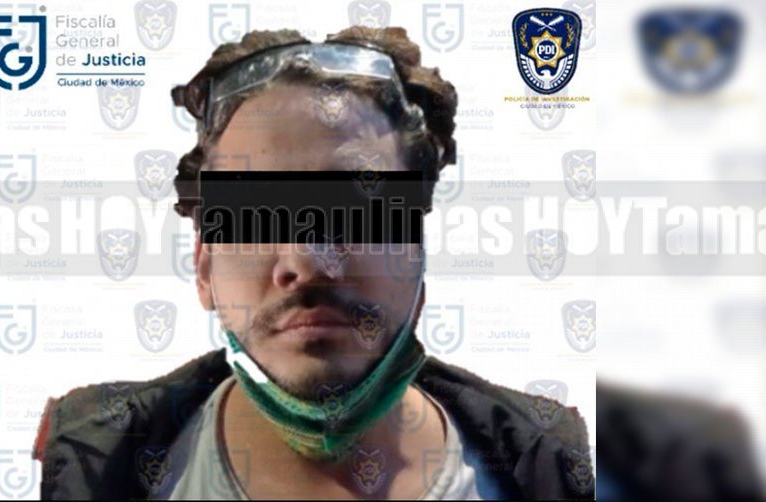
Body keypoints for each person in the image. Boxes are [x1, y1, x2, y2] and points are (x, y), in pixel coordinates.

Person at [33, 26, 593, 500]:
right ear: (204, 266)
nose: (307, 261)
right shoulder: (97, 471)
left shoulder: (544, 475)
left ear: (417, 251)